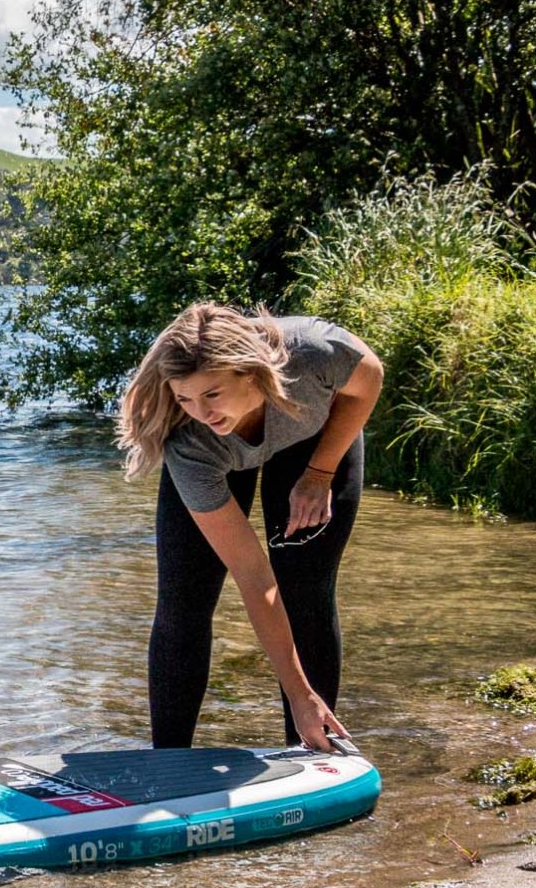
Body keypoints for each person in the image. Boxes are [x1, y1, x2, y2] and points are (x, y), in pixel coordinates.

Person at [117, 303, 384, 752]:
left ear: (249, 372)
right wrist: (296, 691)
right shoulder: (192, 439)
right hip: (221, 458)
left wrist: (320, 474)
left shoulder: (313, 352)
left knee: (306, 591)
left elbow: (370, 377)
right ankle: (167, 759)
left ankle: (313, 747)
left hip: (311, 442)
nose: (200, 410)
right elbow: (254, 577)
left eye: (212, 394)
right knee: (184, 600)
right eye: (185, 398)